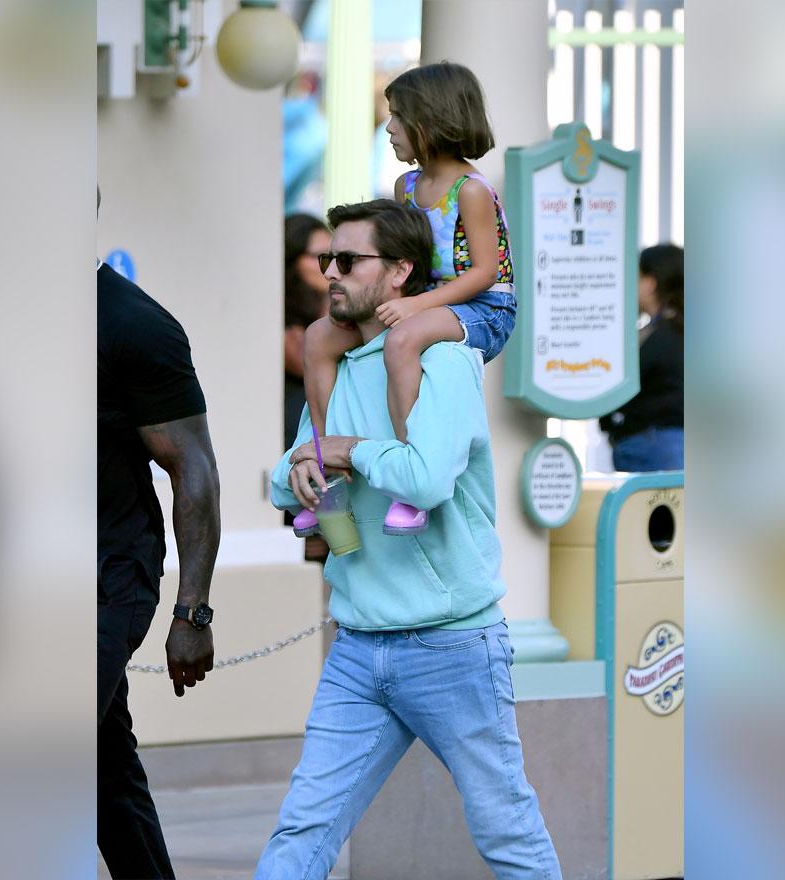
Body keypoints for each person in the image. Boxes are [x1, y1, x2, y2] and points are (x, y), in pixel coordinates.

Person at [259, 199, 560, 880]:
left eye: (347, 260)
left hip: (452, 645)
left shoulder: (444, 360)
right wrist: (308, 462)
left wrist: (347, 449)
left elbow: (425, 480)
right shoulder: (333, 363)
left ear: (399, 272)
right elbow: (285, 476)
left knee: (506, 831)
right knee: (304, 827)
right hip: (359, 645)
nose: (329, 272)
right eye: (325, 259)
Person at [296, 61, 516, 538]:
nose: (389, 127)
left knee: (402, 342)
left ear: (431, 119)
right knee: (319, 338)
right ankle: (324, 463)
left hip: (483, 308)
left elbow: (484, 272)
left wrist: (416, 307)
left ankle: (407, 475)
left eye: (398, 117)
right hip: (426, 301)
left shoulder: (472, 191)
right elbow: (402, 256)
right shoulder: (407, 186)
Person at [97, 189, 221, 879]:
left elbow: (195, 470)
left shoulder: (134, 325)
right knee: (103, 770)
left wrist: (191, 612)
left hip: (105, 580)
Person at [601, 243, 684, 471]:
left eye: (635, 278)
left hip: (653, 445)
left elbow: (622, 384)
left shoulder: (661, 338)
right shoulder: (683, 330)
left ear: (650, 283)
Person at [283, 213, 332, 453]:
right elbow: (302, 363)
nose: (330, 266)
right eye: (320, 257)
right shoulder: (280, 310)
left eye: (334, 256)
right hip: (291, 415)